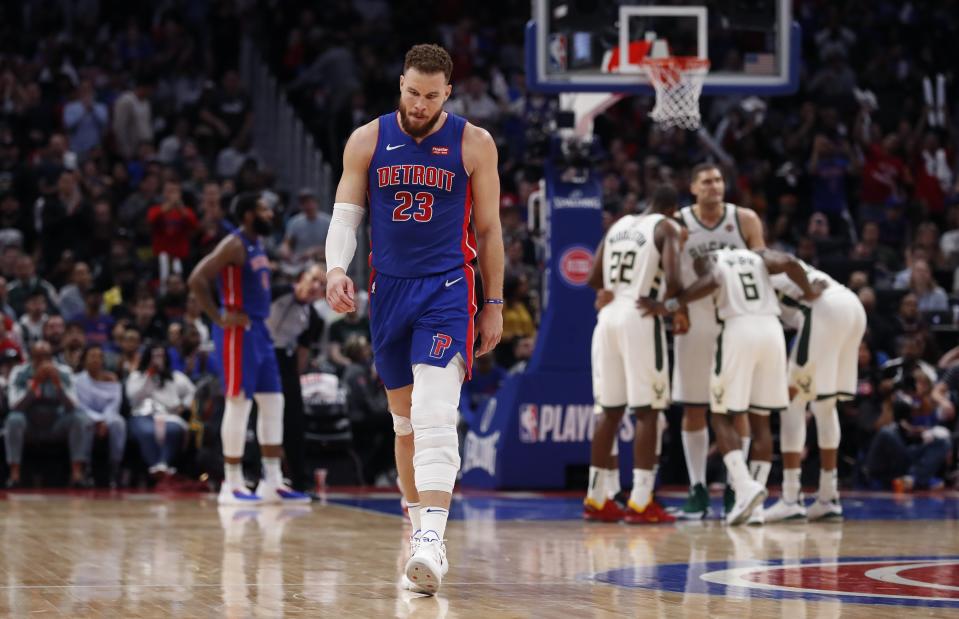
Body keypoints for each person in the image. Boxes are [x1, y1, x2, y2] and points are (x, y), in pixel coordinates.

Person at [324, 44, 503, 594]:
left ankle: (432, 538)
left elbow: (490, 230)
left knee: (433, 410)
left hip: (449, 289)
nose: (420, 104)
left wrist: (493, 303)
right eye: (412, 92)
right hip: (389, 292)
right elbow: (346, 214)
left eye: (431, 96)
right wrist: (335, 269)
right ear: (399, 83)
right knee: (402, 423)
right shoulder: (367, 139)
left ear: (447, 92)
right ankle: (419, 524)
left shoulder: (474, 142)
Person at [641, 247, 821, 525]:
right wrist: (808, 292)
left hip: (739, 329)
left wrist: (672, 305)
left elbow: (712, 280)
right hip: (772, 332)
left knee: (721, 415)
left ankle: (744, 486)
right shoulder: (756, 255)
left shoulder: (715, 260)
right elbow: (788, 261)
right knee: (760, 418)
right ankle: (754, 507)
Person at [188, 192, 309, 505]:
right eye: (263, 209)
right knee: (238, 403)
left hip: (261, 331)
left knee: (273, 402)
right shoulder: (234, 244)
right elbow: (197, 279)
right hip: (238, 332)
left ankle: (271, 481)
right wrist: (218, 316)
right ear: (247, 215)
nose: (270, 213)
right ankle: (232, 483)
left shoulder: (258, 244)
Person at [671, 163, 766, 520]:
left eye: (719, 180)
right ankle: (697, 489)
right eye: (706, 181)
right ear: (693, 187)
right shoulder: (679, 222)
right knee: (694, 407)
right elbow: (668, 270)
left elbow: (762, 264)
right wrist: (674, 309)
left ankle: (734, 487)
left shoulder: (745, 220)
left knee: (734, 408)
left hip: (734, 322)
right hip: (694, 321)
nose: (714, 186)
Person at [582, 185, 681, 525]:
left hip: (608, 317)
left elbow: (594, 278)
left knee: (609, 413)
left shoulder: (618, 225)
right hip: (640, 316)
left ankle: (596, 498)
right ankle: (641, 500)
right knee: (648, 411)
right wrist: (667, 305)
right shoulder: (665, 227)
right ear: (671, 210)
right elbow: (676, 278)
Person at [765, 259, 867, 522]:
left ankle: (790, 497)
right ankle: (828, 496)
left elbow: (788, 265)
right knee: (825, 405)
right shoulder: (766, 261)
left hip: (824, 309)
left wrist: (808, 291)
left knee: (791, 401)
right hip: (852, 306)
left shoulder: (754, 264)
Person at [265, 263, 325, 491]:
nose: (316, 287)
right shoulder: (277, 292)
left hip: (285, 361)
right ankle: (254, 473)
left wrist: (292, 383)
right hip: (260, 352)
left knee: (294, 418)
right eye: (314, 279)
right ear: (301, 277)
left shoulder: (314, 318)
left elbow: (302, 354)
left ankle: (299, 479)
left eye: (322, 285)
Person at [4, 340, 94, 488]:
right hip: (29, 423)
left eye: (46, 356)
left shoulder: (64, 371)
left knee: (79, 418)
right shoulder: (19, 372)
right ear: (31, 357)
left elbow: (73, 405)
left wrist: (58, 384)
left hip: (56, 423)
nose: (43, 360)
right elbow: (15, 406)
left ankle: (77, 473)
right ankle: (14, 475)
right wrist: (35, 384)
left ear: (51, 356)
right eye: (38, 356)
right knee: (13, 420)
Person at [126, 344, 195, 480]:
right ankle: (156, 466)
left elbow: (191, 390)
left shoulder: (175, 377)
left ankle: (163, 465)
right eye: (154, 356)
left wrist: (184, 405)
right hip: (142, 414)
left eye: (161, 356)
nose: (157, 360)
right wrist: (148, 376)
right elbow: (132, 397)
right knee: (148, 432)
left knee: (173, 430)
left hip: (169, 414)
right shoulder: (137, 376)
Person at [74, 344, 127, 487]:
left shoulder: (111, 379)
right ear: (84, 360)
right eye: (92, 356)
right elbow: (80, 405)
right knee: (84, 423)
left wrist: (105, 420)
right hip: (87, 416)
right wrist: (97, 420)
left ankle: (115, 468)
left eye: (99, 357)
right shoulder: (77, 380)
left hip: (108, 416)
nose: (96, 360)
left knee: (118, 423)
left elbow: (115, 404)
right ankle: (86, 468)